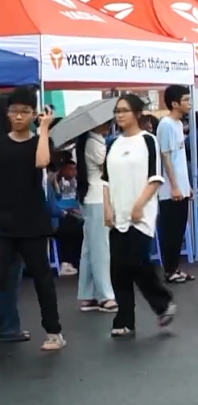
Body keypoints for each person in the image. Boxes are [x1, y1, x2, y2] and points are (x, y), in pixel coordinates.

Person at [102, 94, 177, 337]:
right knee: (118, 268)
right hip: (117, 214)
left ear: (136, 113)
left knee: (137, 261)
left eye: (124, 110)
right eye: (117, 111)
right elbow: (106, 181)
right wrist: (107, 207)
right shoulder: (112, 143)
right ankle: (124, 320)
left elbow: (155, 178)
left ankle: (162, 301)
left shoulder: (148, 141)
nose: (120, 115)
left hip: (140, 214)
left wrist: (139, 205)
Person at [0, 87, 64, 350]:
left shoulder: (40, 141)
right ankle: (6, 327)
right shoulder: (1, 141)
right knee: (2, 278)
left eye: (24, 112)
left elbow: (41, 163)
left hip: (33, 221)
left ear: (33, 114)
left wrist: (45, 128)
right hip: (3, 221)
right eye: (14, 111)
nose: (18, 117)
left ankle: (53, 332)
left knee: (42, 280)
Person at [74, 123, 117, 312]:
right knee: (100, 249)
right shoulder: (95, 143)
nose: (109, 124)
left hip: (90, 198)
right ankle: (105, 295)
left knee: (90, 248)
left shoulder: (86, 142)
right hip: (99, 198)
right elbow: (108, 168)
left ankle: (88, 294)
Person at [156, 85, 194, 284]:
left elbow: (179, 159)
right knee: (170, 231)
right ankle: (169, 270)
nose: (189, 103)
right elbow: (165, 156)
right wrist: (175, 186)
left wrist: (186, 186)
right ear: (174, 103)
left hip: (181, 187)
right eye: (186, 100)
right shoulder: (166, 124)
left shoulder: (179, 125)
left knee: (179, 230)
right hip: (170, 190)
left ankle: (175, 268)